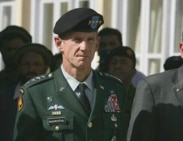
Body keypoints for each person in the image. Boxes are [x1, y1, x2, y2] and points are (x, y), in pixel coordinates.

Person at [13, 8, 127, 141]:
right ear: (59, 43)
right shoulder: (36, 92)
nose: (84, 47)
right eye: (77, 40)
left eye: (90, 40)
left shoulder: (114, 88)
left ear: (97, 44)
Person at [0, 43, 53, 141]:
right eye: (26, 64)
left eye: (37, 64)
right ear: (19, 67)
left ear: (45, 68)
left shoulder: (54, 97)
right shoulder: (3, 97)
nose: (31, 69)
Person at [105, 46, 136, 132]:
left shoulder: (139, 97)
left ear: (133, 71)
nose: (118, 66)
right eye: (113, 63)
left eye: (123, 62)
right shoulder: (99, 95)